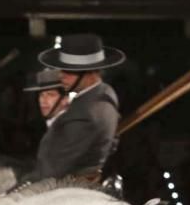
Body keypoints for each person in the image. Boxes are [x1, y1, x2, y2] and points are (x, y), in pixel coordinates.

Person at [18, 33, 124, 185]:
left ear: (89, 71)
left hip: (62, 189)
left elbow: (52, 171)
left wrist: (9, 195)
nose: (61, 76)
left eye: (68, 70)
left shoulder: (86, 112)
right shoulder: (105, 93)